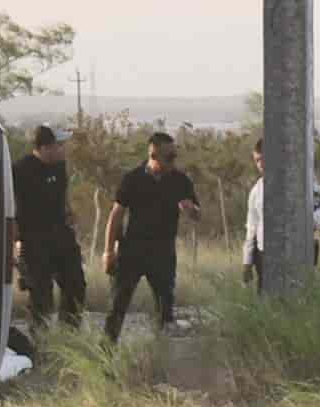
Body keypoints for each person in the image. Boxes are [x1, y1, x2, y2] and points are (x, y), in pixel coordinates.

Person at [102, 131, 199, 340]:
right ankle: (105, 356)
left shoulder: (180, 181)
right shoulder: (133, 179)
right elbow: (116, 215)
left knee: (165, 310)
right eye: (169, 157)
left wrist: (191, 210)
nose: (174, 161)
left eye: (175, 155)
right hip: (132, 252)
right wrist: (108, 252)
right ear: (153, 155)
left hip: (163, 253)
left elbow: (196, 215)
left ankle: (161, 355)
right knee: (117, 307)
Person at [11, 125, 85, 329]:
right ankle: (40, 341)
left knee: (76, 286)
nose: (64, 149)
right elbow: (9, 205)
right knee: (41, 295)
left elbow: (62, 195)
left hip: (62, 235)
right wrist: (15, 240)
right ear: (44, 147)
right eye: (59, 145)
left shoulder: (60, 167)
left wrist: (69, 211)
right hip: (34, 240)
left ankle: (69, 335)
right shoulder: (20, 170)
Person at [242, 143, 320, 292]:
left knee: (297, 299)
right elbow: (251, 227)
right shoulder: (257, 190)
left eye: (264, 159)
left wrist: (310, 222)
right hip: (265, 255)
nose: (260, 164)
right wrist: (247, 262)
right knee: (268, 304)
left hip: (297, 252)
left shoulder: (300, 182)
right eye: (257, 160)